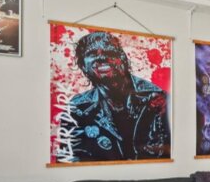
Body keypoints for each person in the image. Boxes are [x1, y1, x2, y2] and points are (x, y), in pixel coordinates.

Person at [67, 31, 170, 162]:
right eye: (92, 54)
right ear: (83, 66)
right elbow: (72, 157)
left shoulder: (158, 98)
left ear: (123, 60)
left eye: (110, 52)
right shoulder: (78, 107)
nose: (101, 57)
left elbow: (169, 149)